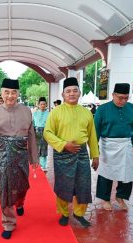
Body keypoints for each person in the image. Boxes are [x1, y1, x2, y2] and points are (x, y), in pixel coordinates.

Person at [0, 78, 39, 239]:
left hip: (21, 153)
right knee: (5, 187)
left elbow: (31, 135)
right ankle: (8, 222)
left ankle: (20, 202)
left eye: (13, 92)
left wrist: (34, 157)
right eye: (6, 92)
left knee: (22, 184)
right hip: (2, 154)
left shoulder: (26, 111)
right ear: (2, 93)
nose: (10, 95)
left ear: (18, 93)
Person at [44, 77, 99, 227]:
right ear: (63, 95)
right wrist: (63, 144)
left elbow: (92, 136)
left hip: (81, 152)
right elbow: (47, 133)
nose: (72, 94)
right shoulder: (56, 112)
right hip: (62, 153)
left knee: (83, 183)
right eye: (68, 91)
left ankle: (79, 213)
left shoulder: (86, 113)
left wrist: (95, 155)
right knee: (63, 184)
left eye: (75, 90)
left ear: (80, 93)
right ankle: (63, 213)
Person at [94, 83, 133, 211]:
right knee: (106, 172)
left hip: (126, 144)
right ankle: (105, 198)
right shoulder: (102, 109)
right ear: (113, 95)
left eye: (126, 98)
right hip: (108, 145)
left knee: (127, 172)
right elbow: (95, 130)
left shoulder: (130, 108)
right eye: (120, 97)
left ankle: (121, 197)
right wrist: (94, 151)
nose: (123, 101)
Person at [33, 97, 50, 171]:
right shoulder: (35, 113)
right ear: (38, 105)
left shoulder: (49, 114)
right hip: (36, 131)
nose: (42, 105)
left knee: (44, 148)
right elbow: (32, 124)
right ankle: (37, 164)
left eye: (44, 104)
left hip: (45, 131)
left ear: (46, 105)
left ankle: (43, 165)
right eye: (41, 104)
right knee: (37, 148)